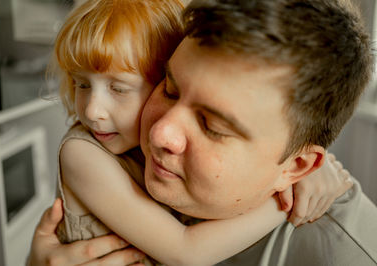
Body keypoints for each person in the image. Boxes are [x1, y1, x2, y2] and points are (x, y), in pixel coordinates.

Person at [28, 0, 377, 265]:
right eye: (169, 88)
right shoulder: (112, 155)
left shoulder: (345, 252)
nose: (160, 134)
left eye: (212, 126)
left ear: (298, 167)